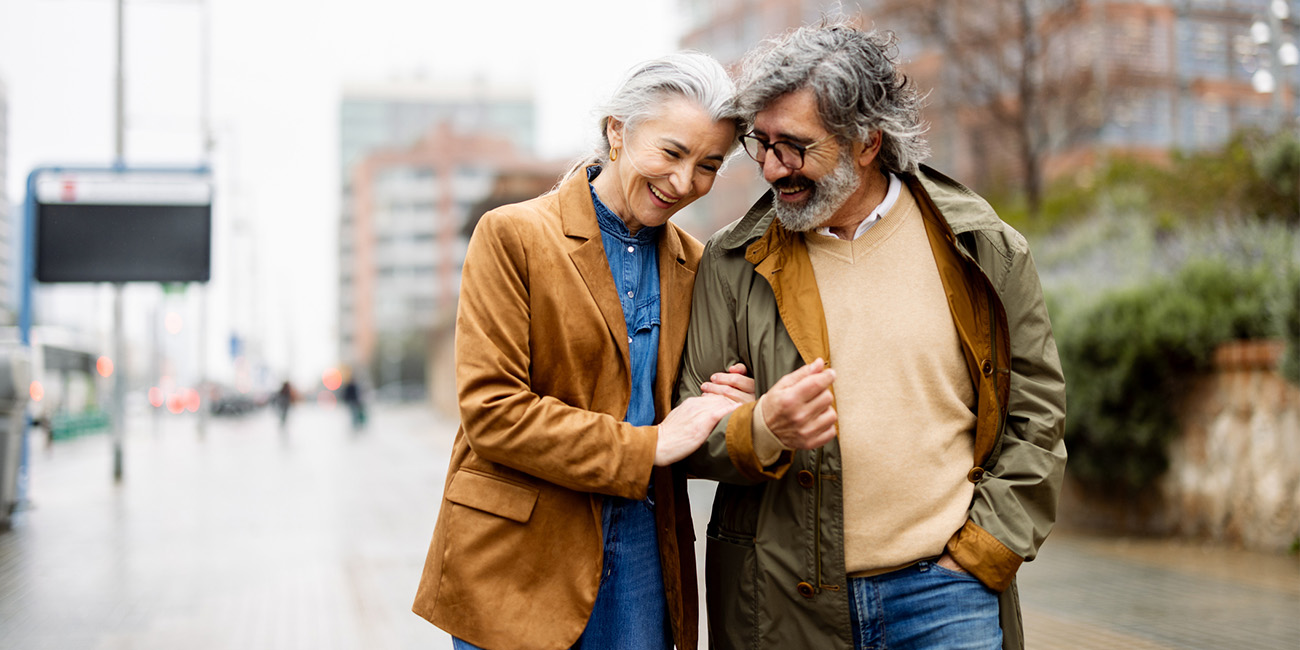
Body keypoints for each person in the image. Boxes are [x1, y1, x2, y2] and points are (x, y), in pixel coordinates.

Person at [676, 23, 1068, 650]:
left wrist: (988, 549)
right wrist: (761, 427)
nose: (774, 167)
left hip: (949, 596)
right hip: (782, 604)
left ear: (866, 142)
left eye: (796, 145)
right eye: (763, 142)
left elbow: (1037, 415)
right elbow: (686, 425)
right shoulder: (730, 263)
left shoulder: (983, 249)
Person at [412, 52, 751, 650]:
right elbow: (493, 413)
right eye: (671, 153)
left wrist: (731, 402)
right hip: (520, 555)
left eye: (709, 165)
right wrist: (648, 444)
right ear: (617, 132)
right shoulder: (512, 235)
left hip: (646, 548)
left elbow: (698, 402)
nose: (684, 182)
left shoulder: (698, 267)